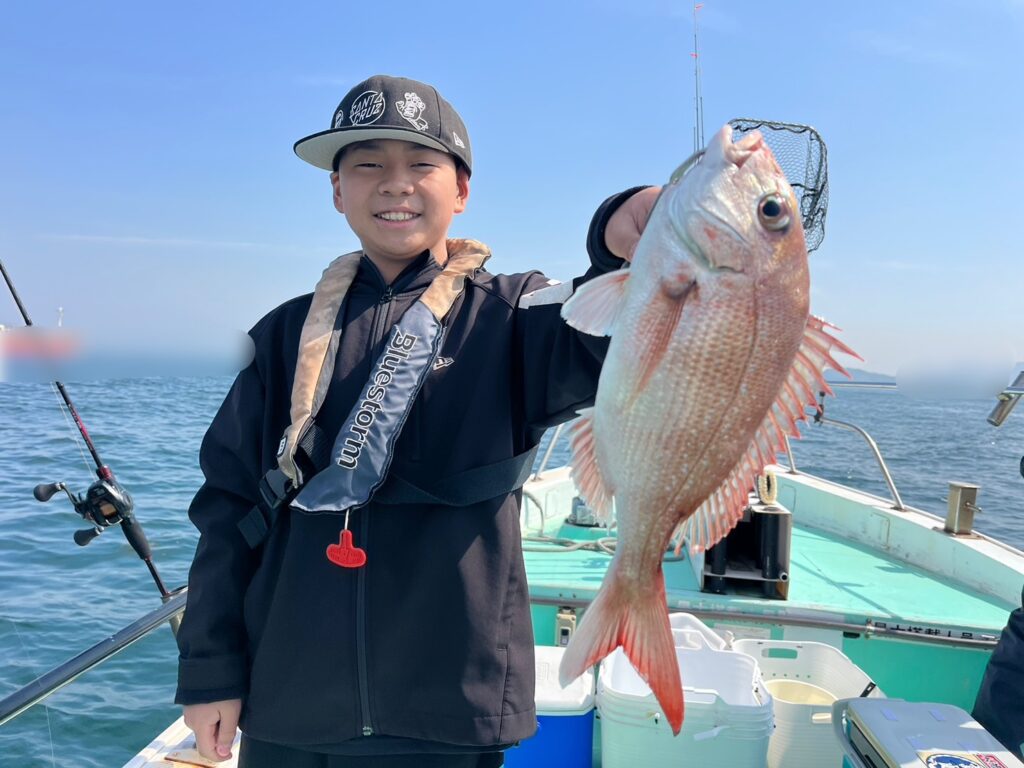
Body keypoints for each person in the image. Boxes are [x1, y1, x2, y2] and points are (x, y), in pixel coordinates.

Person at [173, 74, 659, 766]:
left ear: (461, 190)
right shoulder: (283, 335)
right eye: (368, 165)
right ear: (337, 192)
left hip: (449, 709)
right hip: (288, 702)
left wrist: (613, 238)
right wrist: (211, 670)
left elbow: (603, 322)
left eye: (421, 164)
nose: (395, 184)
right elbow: (227, 508)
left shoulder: (512, 315)